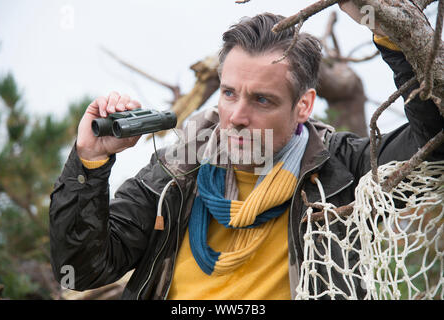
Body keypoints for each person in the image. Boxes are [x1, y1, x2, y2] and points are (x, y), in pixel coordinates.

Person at [49, 3, 443, 300]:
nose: (237, 116)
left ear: (303, 106)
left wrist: (392, 30)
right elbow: (80, 271)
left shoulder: (343, 169)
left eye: (262, 100)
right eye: (228, 93)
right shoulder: (175, 170)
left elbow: (433, 144)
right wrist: (91, 160)